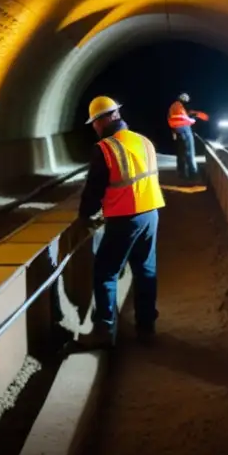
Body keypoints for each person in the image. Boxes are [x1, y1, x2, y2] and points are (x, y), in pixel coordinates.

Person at [74, 96, 165, 349]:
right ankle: (146, 328)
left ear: (104, 120)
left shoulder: (105, 148)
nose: (94, 127)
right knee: (146, 271)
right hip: (151, 213)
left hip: (125, 218)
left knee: (105, 272)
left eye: (94, 122)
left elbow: (94, 189)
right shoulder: (143, 140)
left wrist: (85, 216)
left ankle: (104, 330)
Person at [168, 93, 208, 182]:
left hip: (178, 132)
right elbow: (181, 119)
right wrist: (192, 120)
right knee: (190, 153)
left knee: (181, 154)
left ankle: (182, 174)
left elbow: (175, 119)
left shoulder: (174, 106)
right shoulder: (178, 106)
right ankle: (193, 175)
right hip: (184, 130)